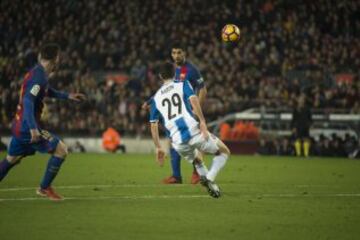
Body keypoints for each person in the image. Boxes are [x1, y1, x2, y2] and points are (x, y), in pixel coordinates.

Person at [0, 43, 86, 201]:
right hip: (27, 127)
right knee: (61, 149)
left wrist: (67, 96)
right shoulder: (39, 78)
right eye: (58, 58)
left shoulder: (38, 73)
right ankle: (44, 188)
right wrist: (33, 129)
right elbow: (27, 100)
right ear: (56, 59)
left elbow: (46, 90)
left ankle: (44, 188)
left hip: (19, 125)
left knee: (10, 159)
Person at [149, 62, 230, 198]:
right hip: (193, 131)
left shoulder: (155, 98)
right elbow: (194, 101)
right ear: (175, 72)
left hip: (177, 142)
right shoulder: (182, 84)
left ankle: (211, 185)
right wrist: (202, 121)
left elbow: (153, 125)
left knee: (197, 161)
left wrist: (158, 147)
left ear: (160, 76)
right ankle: (209, 178)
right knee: (224, 152)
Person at [144, 42, 207, 184]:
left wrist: (196, 110)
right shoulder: (172, 70)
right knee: (174, 141)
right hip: (175, 114)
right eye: (174, 53)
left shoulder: (191, 70)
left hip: (188, 113)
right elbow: (166, 89)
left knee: (193, 141)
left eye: (179, 52)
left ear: (184, 53)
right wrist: (149, 101)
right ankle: (176, 176)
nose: (176, 55)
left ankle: (196, 172)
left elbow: (202, 89)